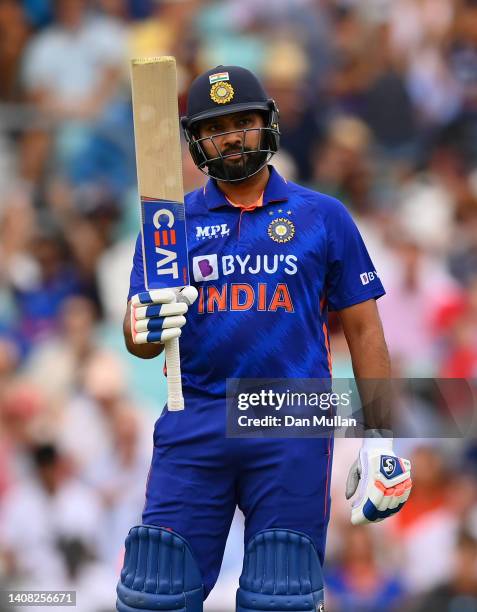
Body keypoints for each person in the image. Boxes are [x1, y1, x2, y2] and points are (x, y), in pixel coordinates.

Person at [116, 65, 413, 612]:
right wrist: (141, 327)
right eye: (214, 127)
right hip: (195, 413)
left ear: (268, 124)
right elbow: (141, 337)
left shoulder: (323, 216)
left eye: (243, 121)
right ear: (196, 141)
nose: (230, 136)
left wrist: (380, 438)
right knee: (156, 593)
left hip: (289, 416)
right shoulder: (168, 225)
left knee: (283, 597)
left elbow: (365, 329)